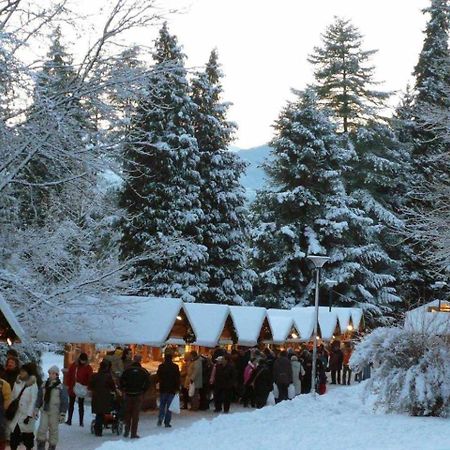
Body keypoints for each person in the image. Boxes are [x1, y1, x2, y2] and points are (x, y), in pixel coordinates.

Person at [36, 365, 68, 450]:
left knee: (54, 429)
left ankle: (52, 445)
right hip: (44, 411)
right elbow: (39, 397)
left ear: (57, 375)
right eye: (50, 373)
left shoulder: (61, 387)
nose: (51, 375)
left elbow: (64, 401)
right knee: (42, 428)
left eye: (54, 374)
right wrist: (36, 408)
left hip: (55, 411)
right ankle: (41, 444)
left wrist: (63, 413)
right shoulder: (43, 385)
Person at [9, 363, 39, 450]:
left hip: (27, 415)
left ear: (28, 372)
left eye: (23, 371)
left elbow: (33, 401)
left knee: (28, 437)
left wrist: (29, 416)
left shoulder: (33, 384)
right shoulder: (17, 382)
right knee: (13, 436)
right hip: (17, 414)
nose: (21, 373)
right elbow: (13, 396)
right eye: (20, 371)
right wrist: (11, 408)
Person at [120, 355, 150, 439]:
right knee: (135, 415)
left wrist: (124, 389)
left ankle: (126, 430)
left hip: (128, 395)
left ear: (133, 360)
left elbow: (121, 381)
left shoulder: (127, 371)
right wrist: (143, 391)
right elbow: (148, 383)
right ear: (140, 361)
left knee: (127, 413)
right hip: (138, 395)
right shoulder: (143, 371)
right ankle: (133, 433)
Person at [89, 360, 116, 437]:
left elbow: (90, 386)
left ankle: (98, 428)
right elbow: (113, 387)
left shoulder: (94, 376)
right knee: (102, 412)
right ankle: (99, 429)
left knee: (99, 413)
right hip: (105, 397)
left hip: (96, 397)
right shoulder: (108, 377)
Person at [65, 353, 93, 426]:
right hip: (73, 387)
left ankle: (81, 421)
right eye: (82, 360)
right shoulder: (75, 366)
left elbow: (90, 379)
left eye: (84, 361)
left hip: (81, 389)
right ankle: (69, 419)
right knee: (71, 404)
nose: (82, 362)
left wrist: (88, 388)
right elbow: (69, 375)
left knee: (81, 405)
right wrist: (68, 384)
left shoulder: (87, 367)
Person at [156, 352, 180, 428]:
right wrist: (177, 388)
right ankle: (167, 422)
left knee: (162, 405)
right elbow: (177, 378)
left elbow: (158, 376)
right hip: (172, 389)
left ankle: (160, 418)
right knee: (170, 406)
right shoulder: (175, 367)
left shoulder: (161, 366)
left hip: (163, 388)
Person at [0, 373, 12, 450]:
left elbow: (8, 399)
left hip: (0, 412)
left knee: (1, 433)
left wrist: (3, 410)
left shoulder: (4, 384)